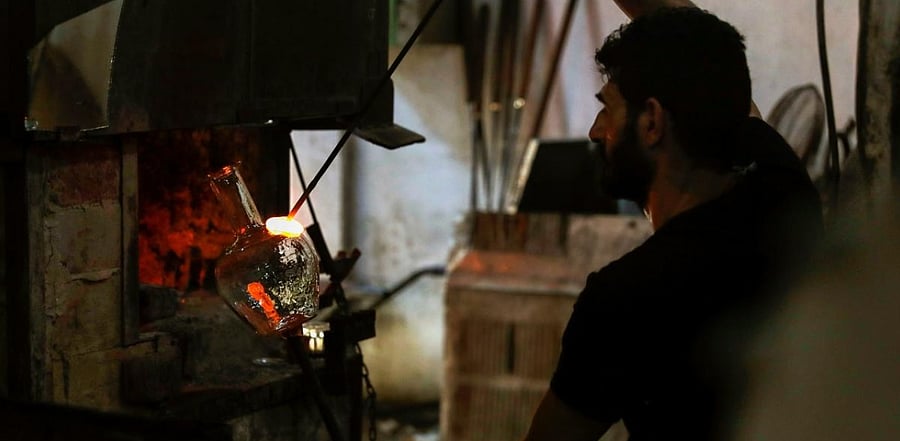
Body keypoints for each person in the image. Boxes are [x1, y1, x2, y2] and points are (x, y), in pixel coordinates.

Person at [523, 4, 824, 441]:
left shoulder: (626, 300)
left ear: (651, 122)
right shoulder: (783, 195)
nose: (594, 130)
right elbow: (714, 68)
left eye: (607, 108)